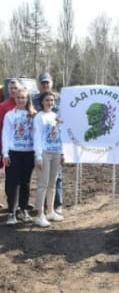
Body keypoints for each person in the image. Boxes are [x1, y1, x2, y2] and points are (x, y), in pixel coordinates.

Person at [2, 87, 36, 225]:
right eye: (18, 98)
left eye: (23, 97)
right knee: (12, 182)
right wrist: (5, 153)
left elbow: (36, 134)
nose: (21, 100)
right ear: (14, 99)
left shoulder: (33, 115)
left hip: (28, 153)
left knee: (25, 182)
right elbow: (6, 134)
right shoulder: (10, 115)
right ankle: (11, 211)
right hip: (13, 152)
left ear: (28, 99)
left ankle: (23, 209)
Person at [32, 73, 64, 215]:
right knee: (42, 184)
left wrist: (62, 152)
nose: (50, 102)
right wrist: (38, 155)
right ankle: (40, 213)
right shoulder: (38, 114)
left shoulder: (56, 113)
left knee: (53, 182)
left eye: (52, 100)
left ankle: (52, 209)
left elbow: (60, 132)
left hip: (55, 151)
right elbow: (37, 136)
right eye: (47, 100)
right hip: (43, 151)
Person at [0, 79, 21, 210]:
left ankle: (20, 203)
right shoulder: (3, 106)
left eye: (15, 88)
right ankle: (11, 203)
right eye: (11, 88)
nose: (13, 90)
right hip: (7, 147)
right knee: (10, 178)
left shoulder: (26, 105)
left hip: (23, 148)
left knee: (22, 177)